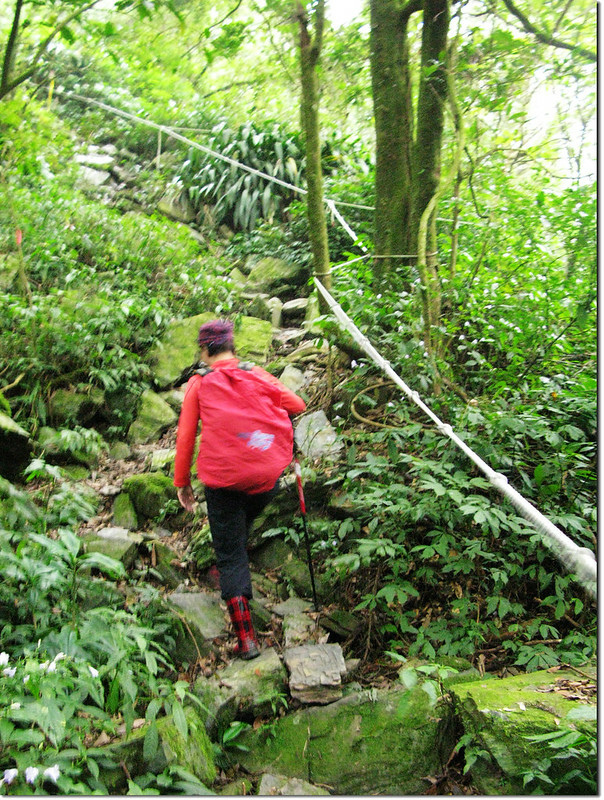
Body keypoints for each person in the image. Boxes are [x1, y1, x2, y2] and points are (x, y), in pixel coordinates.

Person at [174, 319, 306, 659]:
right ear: (233, 346)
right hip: (264, 475)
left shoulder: (199, 383)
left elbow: (186, 436)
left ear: (204, 350)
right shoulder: (256, 373)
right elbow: (297, 404)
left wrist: (182, 483)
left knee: (231, 555)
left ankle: (246, 638)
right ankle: (236, 562)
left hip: (223, 479)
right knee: (240, 528)